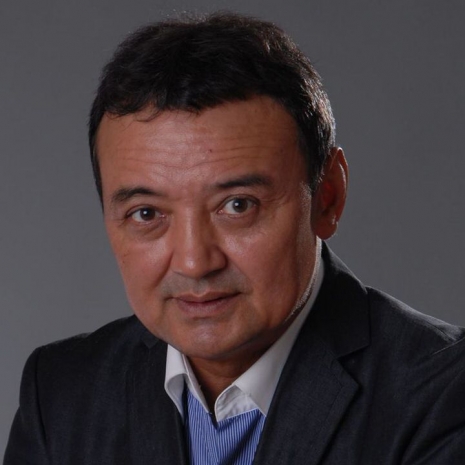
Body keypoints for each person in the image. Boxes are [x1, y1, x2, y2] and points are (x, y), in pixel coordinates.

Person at [5, 12, 465, 465]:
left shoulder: (442, 392)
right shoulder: (62, 393)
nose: (194, 262)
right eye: (146, 214)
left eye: (238, 205)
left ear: (327, 197)